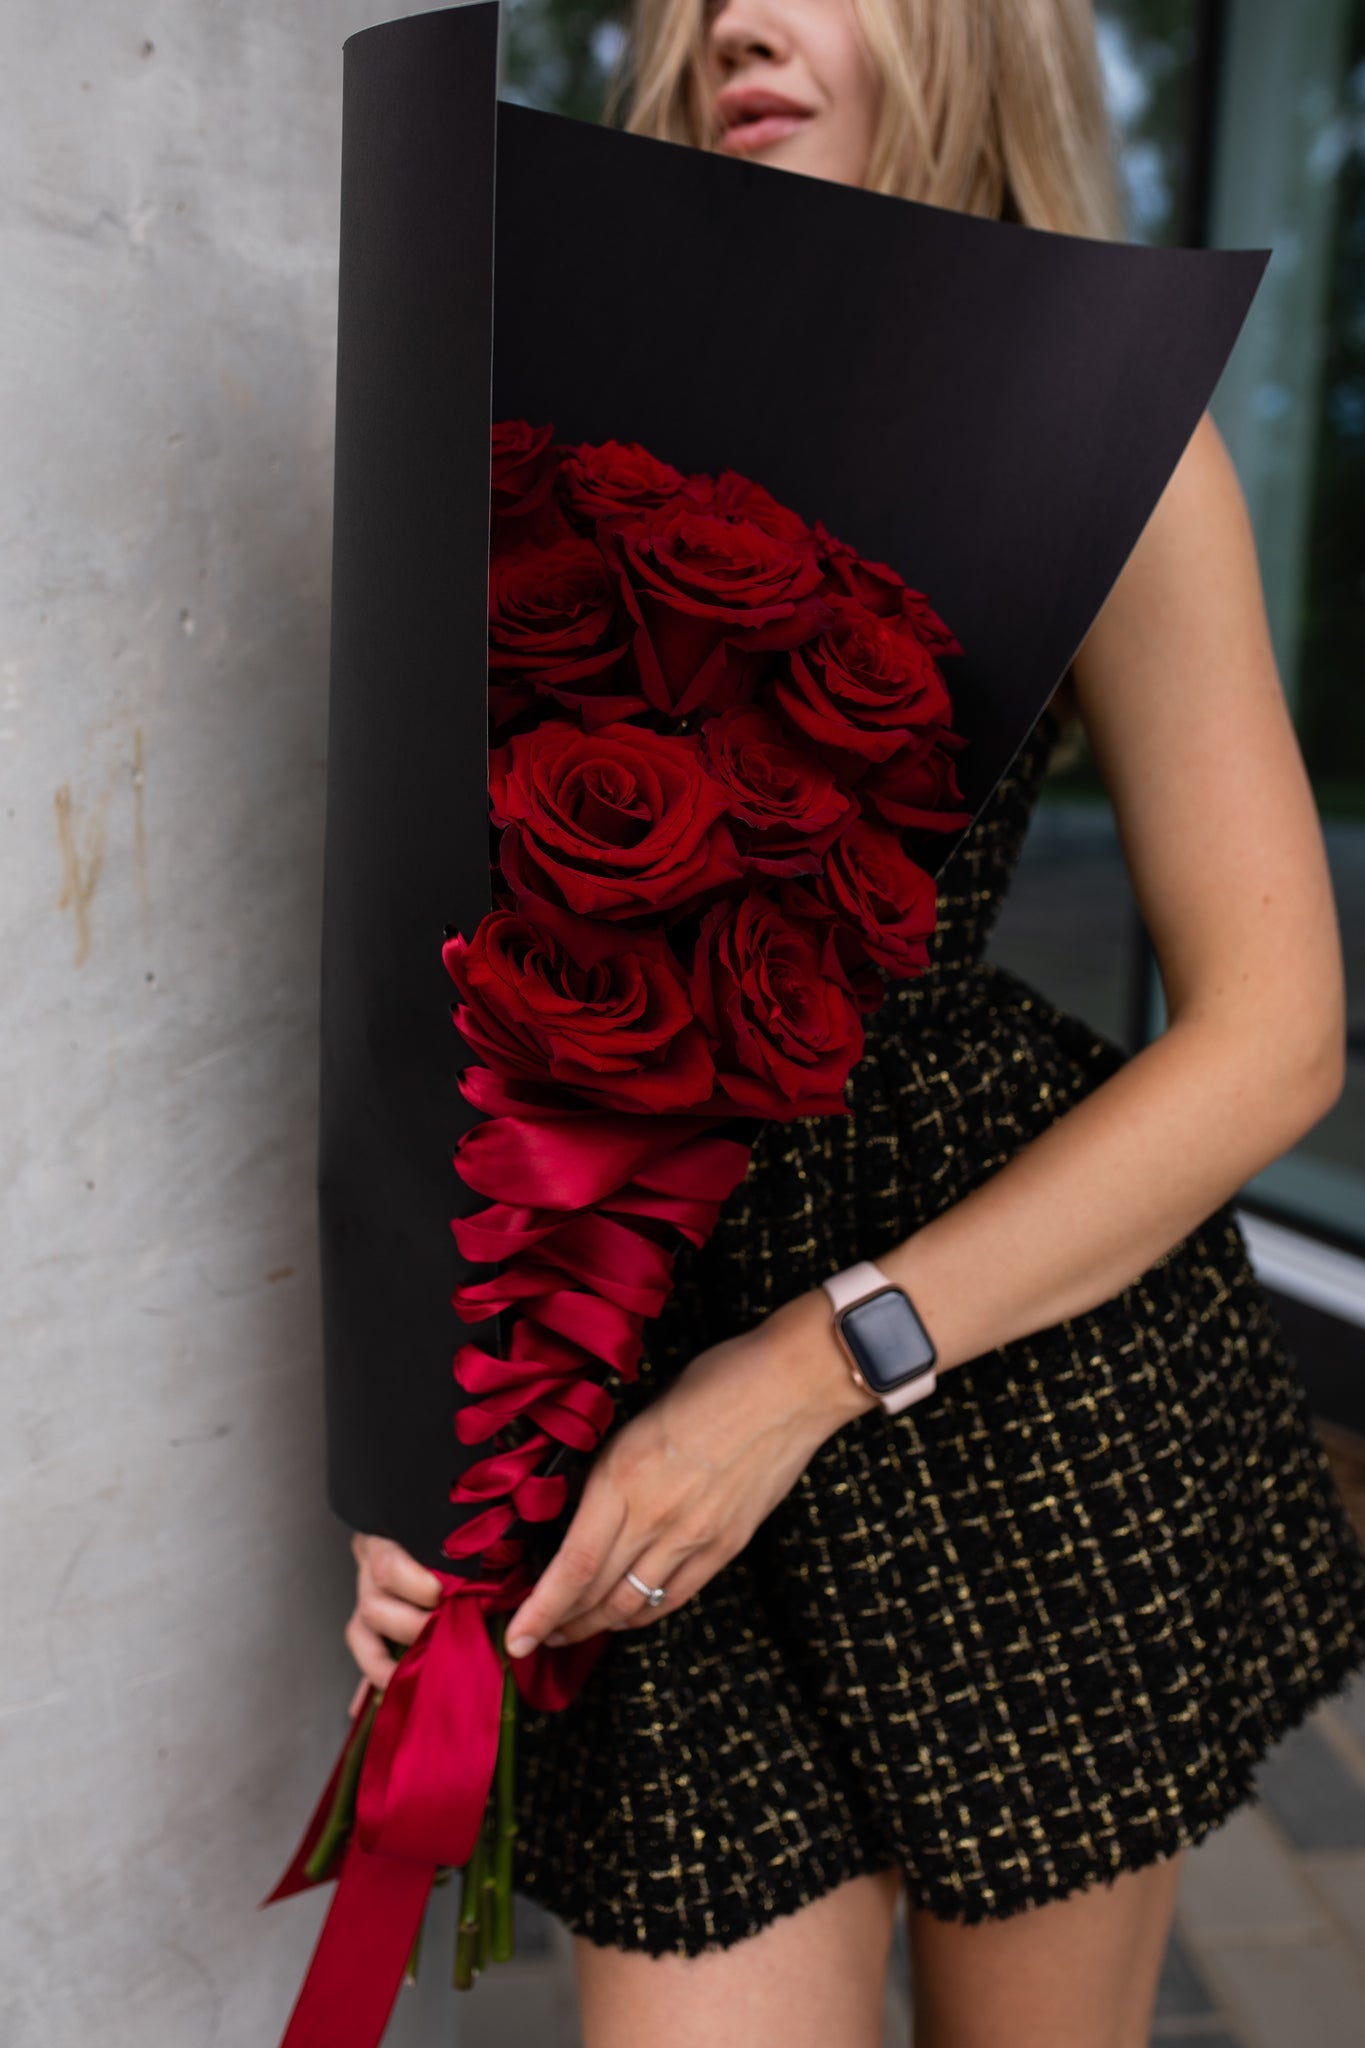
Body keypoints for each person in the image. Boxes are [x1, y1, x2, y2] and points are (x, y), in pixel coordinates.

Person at [344, 3, 1365, 2043]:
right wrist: (412, 1430)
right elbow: (399, 980)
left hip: (1017, 1389)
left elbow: (1272, 1036)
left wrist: (813, 1363)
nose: (733, 14)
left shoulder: (1104, 433)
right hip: (645, 1443)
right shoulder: (505, 411)